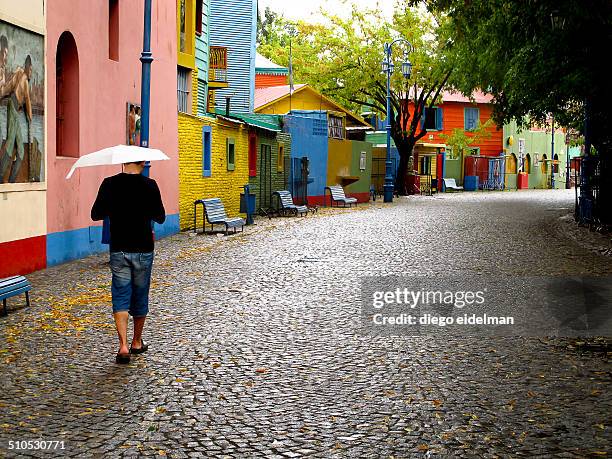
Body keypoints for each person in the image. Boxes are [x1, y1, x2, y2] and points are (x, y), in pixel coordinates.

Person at [91, 161, 165, 364]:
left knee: (121, 294)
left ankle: (122, 346)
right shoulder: (150, 185)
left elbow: (95, 213)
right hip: (143, 249)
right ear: (142, 163)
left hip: (119, 249)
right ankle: (137, 342)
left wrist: (115, 207)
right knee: (140, 293)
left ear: (124, 162)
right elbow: (160, 217)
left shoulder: (109, 184)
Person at [0, 55, 33, 183]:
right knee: (9, 144)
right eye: (30, 70)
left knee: (21, 150)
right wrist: (30, 118)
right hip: (12, 106)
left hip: (14, 109)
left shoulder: (19, 73)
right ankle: (1, 176)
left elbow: (9, 87)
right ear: (27, 68)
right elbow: (28, 102)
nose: (31, 73)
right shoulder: (24, 79)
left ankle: (12, 180)